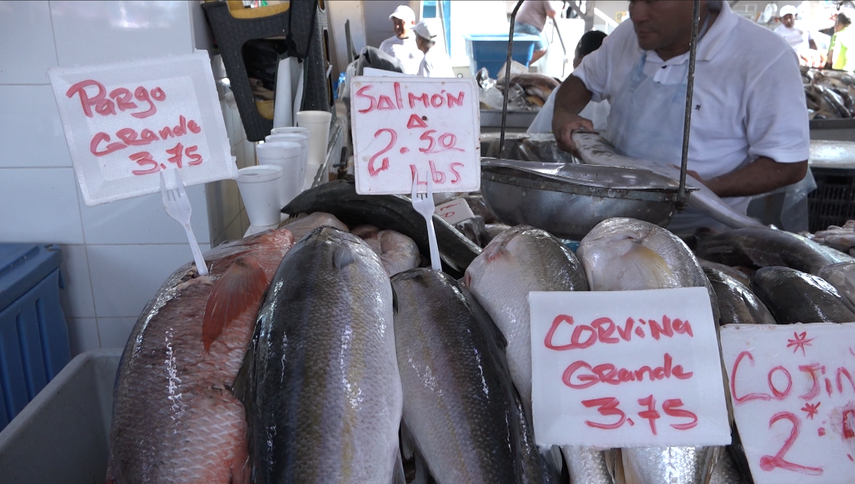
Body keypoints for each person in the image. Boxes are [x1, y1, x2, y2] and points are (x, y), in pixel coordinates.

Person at [552, 0, 809, 234]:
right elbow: (582, 79)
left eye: (653, 1)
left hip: (704, 236)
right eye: (633, 0)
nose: (638, 14)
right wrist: (564, 112)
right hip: (610, 222)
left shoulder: (764, 56)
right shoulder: (627, 36)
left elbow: (789, 164)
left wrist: (708, 187)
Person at [528, 30, 608, 133]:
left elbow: (536, 133)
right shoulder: (621, 92)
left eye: (575, 56)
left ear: (584, 60)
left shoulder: (564, 93)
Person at [378, 5, 424, 75]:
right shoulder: (386, 45)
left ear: (412, 23)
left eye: (401, 23)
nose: (397, 27)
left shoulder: (421, 44)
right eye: (395, 23)